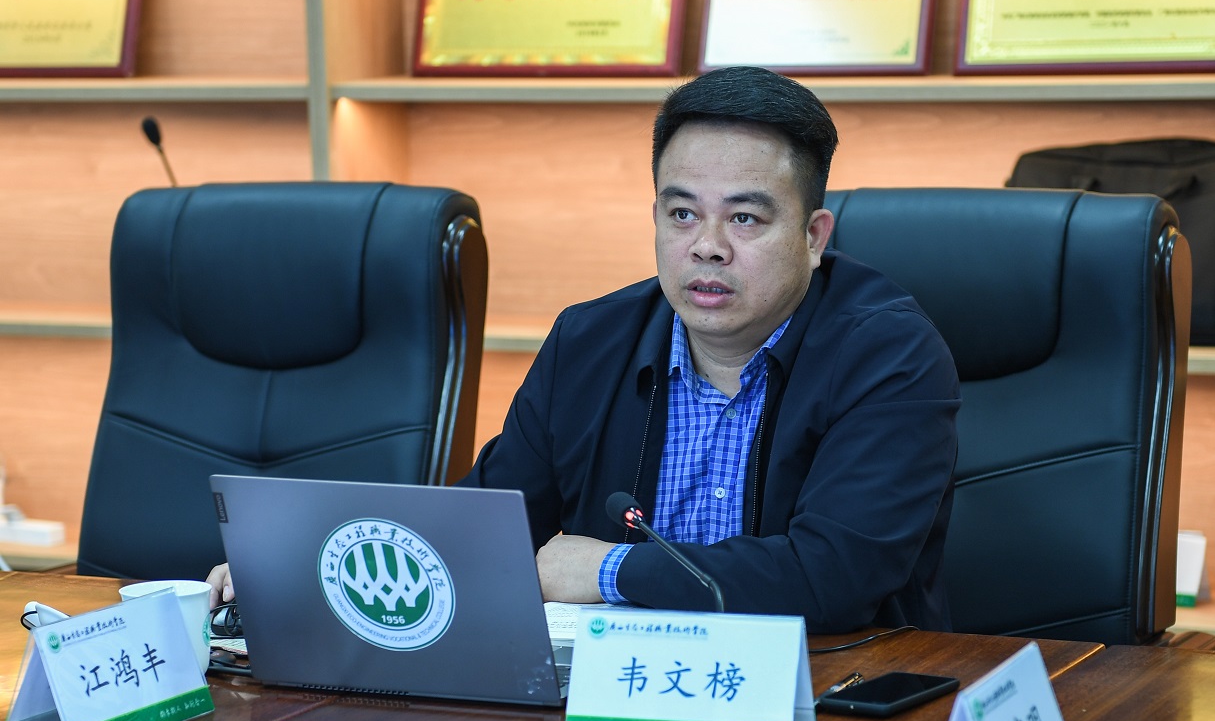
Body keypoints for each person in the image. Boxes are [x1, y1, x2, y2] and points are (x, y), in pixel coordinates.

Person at [208, 66, 960, 634]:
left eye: (746, 219)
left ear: (814, 237)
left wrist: (609, 569)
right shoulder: (589, 341)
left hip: (828, 702)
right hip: (608, 698)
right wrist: (304, 567)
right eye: (682, 213)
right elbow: (485, 523)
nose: (707, 246)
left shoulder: (889, 355)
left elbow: (833, 577)